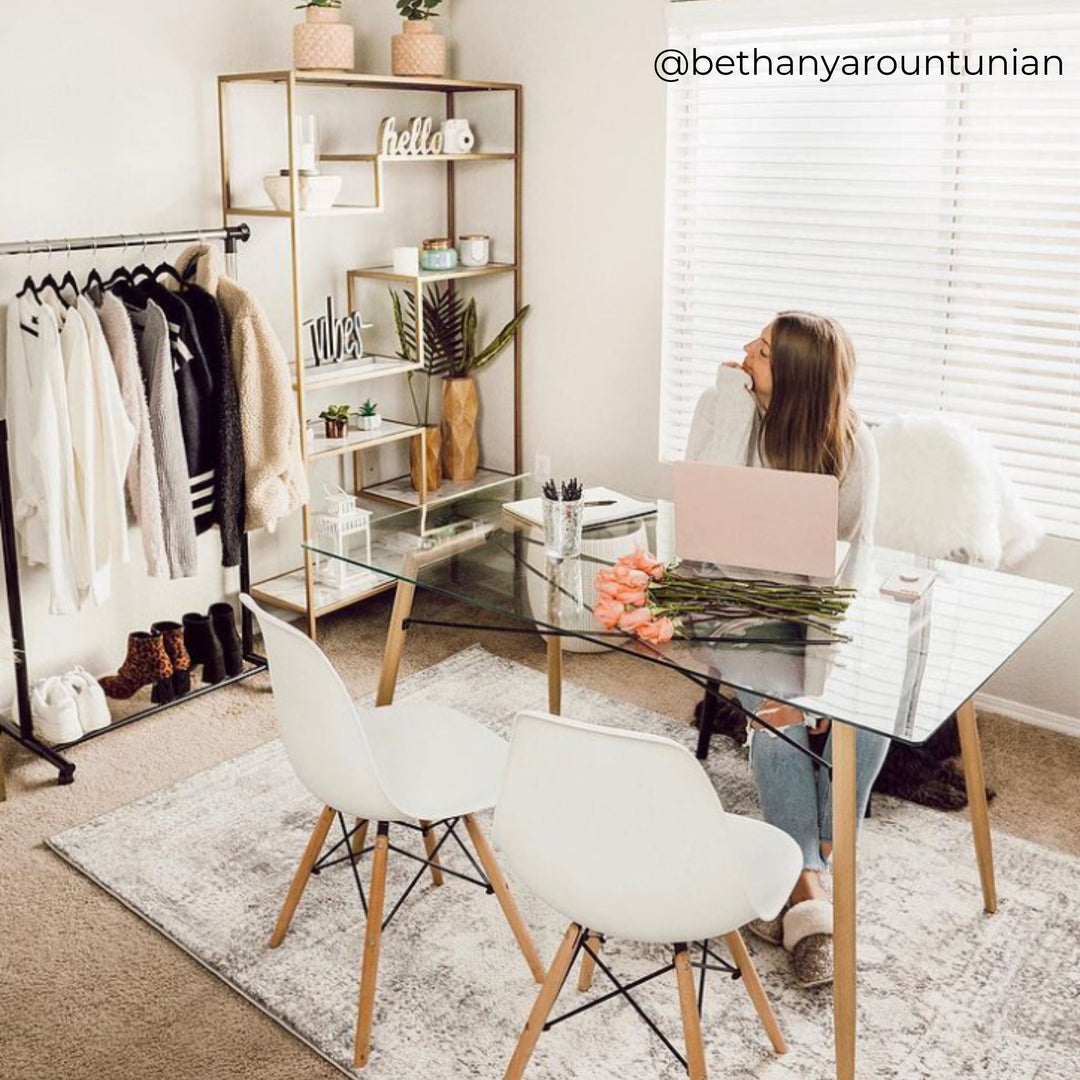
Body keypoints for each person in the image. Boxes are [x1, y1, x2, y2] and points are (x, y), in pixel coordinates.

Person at [727, 311, 888, 989]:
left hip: (828, 611)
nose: (743, 355)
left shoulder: (856, 449)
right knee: (776, 706)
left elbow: (848, 574)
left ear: (792, 379)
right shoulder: (736, 421)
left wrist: (823, 672)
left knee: (867, 707)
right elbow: (712, 536)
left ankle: (819, 854)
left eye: (760, 353)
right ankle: (807, 880)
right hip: (739, 608)